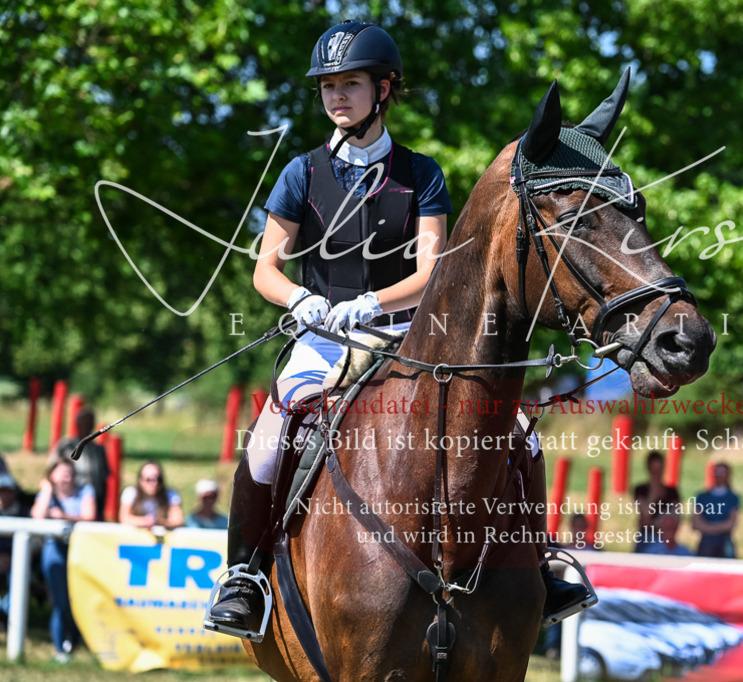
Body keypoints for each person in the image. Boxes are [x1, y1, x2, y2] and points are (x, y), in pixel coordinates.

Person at [206, 20, 590, 639]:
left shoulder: (420, 173)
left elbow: (431, 267)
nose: (336, 97)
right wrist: (300, 299)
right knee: (269, 435)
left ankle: (542, 561)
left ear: (384, 89)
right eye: (328, 86)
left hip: (410, 334)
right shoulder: (301, 173)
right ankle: (245, 577)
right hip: (324, 337)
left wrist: (370, 302)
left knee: (519, 430)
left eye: (350, 84)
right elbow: (265, 268)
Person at [30, 458, 97, 662]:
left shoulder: (85, 491)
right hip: (54, 553)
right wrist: (48, 491)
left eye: (70, 472)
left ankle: (77, 641)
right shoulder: (47, 494)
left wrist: (64, 516)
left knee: (78, 600)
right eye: (62, 472)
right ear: (52, 475)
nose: (67, 476)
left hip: (81, 552)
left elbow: (90, 516)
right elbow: (37, 517)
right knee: (59, 602)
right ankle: (60, 648)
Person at [51, 407, 110, 519]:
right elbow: (51, 470)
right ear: (77, 424)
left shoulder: (99, 449)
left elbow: (104, 478)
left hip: (95, 498)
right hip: (71, 497)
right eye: (84, 423)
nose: (87, 426)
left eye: (90, 423)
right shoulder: (65, 446)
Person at [633, 450, 681, 552]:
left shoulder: (672, 492)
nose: (657, 474)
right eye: (654, 470)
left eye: (659, 470)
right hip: (647, 535)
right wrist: (653, 492)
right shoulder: (641, 490)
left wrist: (658, 523)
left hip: (666, 537)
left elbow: (676, 517)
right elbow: (645, 514)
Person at [0, 472, 31, 626]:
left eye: (7, 491)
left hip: (20, 561)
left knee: (20, 574)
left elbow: (36, 543)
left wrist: (16, 558)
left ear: (14, 492)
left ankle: (9, 617)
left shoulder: (25, 512)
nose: (4, 495)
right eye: (1, 491)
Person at [692, 461, 741, 558]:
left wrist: (707, 528)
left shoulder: (732, 498)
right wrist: (718, 528)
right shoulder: (702, 497)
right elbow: (696, 523)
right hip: (706, 542)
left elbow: (731, 524)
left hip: (724, 541)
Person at [119, 461, 184, 529]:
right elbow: (124, 518)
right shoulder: (131, 493)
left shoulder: (170, 495)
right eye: (149, 479)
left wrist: (159, 522)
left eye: (158, 479)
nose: (154, 483)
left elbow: (178, 521)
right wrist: (144, 521)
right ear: (140, 480)